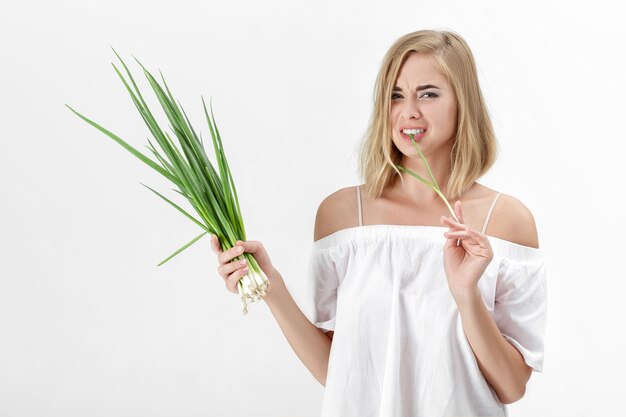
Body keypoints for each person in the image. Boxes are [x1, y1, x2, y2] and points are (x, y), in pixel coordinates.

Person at [210, 29, 547, 417]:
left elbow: (511, 386)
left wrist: (466, 293)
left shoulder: (506, 220)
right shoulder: (342, 215)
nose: (408, 112)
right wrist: (271, 287)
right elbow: (340, 373)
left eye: (428, 93)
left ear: (463, 103)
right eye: (395, 95)